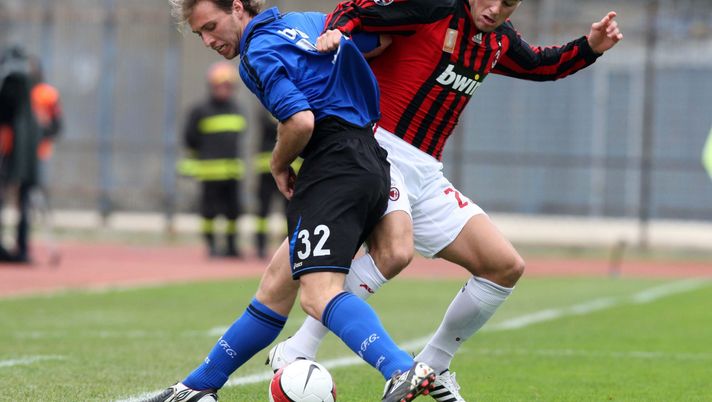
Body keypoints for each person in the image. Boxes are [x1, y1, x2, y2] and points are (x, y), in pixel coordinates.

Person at [267, 1, 624, 401]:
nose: (495, 9)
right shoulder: (429, 7)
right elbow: (357, 8)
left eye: (508, 4)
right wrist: (335, 30)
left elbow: (542, 65)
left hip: (426, 171)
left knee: (504, 266)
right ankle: (299, 347)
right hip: (378, 148)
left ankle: (434, 365)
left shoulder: (498, 40)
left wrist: (590, 46)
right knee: (394, 253)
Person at [142, 1, 435, 401]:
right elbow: (380, 40)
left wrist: (278, 164)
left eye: (211, 26)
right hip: (370, 157)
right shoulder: (310, 22)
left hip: (333, 166)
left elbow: (300, 121)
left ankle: (400, 368)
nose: (209, 40)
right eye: (200, 35)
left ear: (239, 8)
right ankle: (198, 387)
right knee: (278, 283)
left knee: (318, 295)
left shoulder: (258, 52)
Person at [180, 61, 246, 258]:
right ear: (212, 86)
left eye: (228, 86)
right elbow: (190, 138)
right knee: (209, 212)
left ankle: (231, 246)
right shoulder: (200, 110)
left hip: (232, 172)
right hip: (210, 172)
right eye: (220, 86)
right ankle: (211, 246)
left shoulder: (237, 108)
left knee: (233, 212)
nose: (224, 90)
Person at [0, 46, 44, 263]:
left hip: (23, 152)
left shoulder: (34, 90)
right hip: (12, 149)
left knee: (24, 198)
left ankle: (22, 246)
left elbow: (53, 124)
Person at [252, 109, 289, 260]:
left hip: (288, 168)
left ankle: (288, 247)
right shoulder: (269, 106)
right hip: (267, 169)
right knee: (263, 210)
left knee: (289, 211)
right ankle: (260, 246)